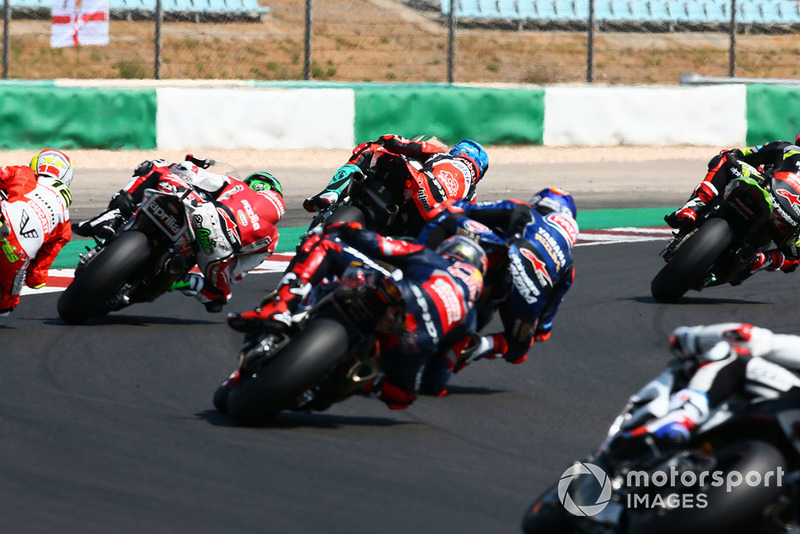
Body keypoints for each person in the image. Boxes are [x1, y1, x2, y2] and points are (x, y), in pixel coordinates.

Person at [227, 222, 487, 409]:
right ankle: (359, 381)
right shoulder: (470, 318)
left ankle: (281, 305)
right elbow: (437, 379)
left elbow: (379, 244)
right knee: (402, 396)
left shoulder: (433, 260)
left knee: (326, 244)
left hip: (397, 296)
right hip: (411, 342)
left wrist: (345, 229)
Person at [74, 156, 285, 312]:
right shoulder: (271, 239)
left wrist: (192, 162)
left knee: (155, 166)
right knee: (219, 297)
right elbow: (236, 273)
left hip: (199, 209)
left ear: (255, 185)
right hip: (216, 251)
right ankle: (177, 279)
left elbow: (190, 172)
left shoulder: (237, 186)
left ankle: (113, 215)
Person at [417, 187, 578, 375]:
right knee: (518, 351)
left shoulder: (524, 209)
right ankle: (480, 346)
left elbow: (461, 208)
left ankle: (414, 267)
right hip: (527, 297)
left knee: (446, 215)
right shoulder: (568, 267)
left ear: (539, 202)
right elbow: (543, 330)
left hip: (502, 260)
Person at [611, 323, 800, 455]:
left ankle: (687, 413)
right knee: (739, 350)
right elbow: (759, 342)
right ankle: (684, 416)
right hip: (787, 405)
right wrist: (697, 339)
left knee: (741, 352)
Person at [303, 134, 489, 235]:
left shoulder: (442, 154)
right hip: (433, 217)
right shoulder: (472, 194)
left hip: (419, 186)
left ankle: (332, 192)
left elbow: (398, 143)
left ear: (459, 151)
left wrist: (386, 140)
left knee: (370, 150)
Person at [665, 135, 800, 274]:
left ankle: (695, 206)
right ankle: (761, 259)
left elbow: (743, 155)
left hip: (767, 190)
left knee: (726, 157)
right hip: (790, 221)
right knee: (794, 257)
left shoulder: (787, 148)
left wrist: (760, 171)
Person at [0, 149, 73, 316]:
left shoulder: (23, 173)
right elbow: (35, 278)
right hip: (16, 254)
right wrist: (37, 280)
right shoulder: (65, 226)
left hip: (6, 218)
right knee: (7, 306)